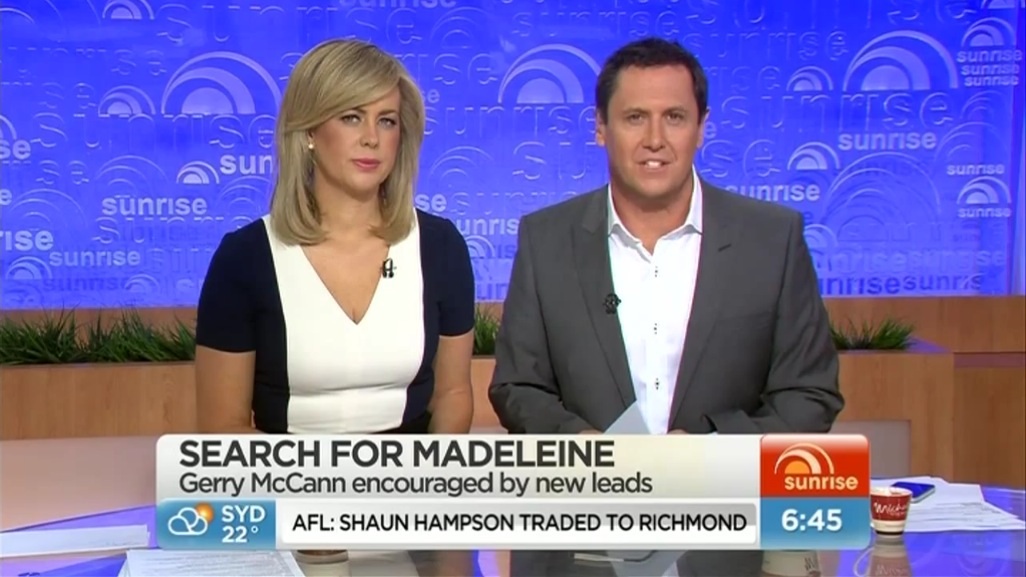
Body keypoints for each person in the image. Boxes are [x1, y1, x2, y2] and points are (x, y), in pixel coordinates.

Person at [489, 35, 843, 577]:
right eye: (635, 118)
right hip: (580, 544)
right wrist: (584, 448)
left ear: (702, 127)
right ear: (600, 127)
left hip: (724, 541)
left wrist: (707, 450)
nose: (655, 139)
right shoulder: (546, 239)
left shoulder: (772, 239)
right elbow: (518, 386)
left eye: (674, 117)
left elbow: (810, 394)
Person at [193, 40, 475, 571]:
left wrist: (431, 493)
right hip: (287, 518)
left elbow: (454, 393)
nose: (372, 138)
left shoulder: (440, 247)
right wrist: (311, 508)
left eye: (387, 121)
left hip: (412, 513)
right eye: (351, 117)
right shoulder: (246, 258)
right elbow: (222, 428)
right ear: (307, 133)